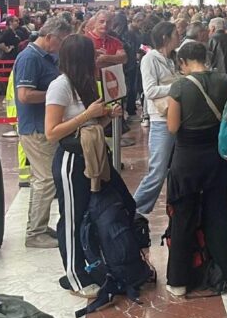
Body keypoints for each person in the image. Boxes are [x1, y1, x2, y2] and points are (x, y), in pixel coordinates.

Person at [46, 34, 124, 297]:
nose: (97, 59)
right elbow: (52, 132)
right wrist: (88, 114)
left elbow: (89, 128)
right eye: (92, 55)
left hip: (91, 155)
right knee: (71, 217)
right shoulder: (60, 86)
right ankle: (74, 275)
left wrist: (105, 117)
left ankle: (90, 265)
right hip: (70, 160)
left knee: (90, 213)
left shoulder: (86, 83)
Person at [164, 40, 227, 297]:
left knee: (184, 216)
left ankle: (179, 280)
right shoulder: (224, 81)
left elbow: (172, 128)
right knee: (218, 213)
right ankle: (223, 271)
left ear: (182, 62)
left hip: (188, 158)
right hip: (216, 155)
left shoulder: (180, 86)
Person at [12, 17, 72, 248]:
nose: (62, 46)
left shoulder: (45, 57)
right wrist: (54, 94)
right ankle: (35, 232)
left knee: (45, 178)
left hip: (44, 126)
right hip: (36, 128)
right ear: (49, 38)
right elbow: (25, 95)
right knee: (45, 179)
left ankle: (39, 224)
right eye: (61, 41)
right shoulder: (29, 58)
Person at [133, 21, 180, 216]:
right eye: (176, 34)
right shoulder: (150, 59)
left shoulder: (171, 59)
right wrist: (178, 86)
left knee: (176, 168)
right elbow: (150, 90)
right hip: (161, 119)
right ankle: (134, 209)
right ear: (165, 37)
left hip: (175, 116)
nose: (179, 37)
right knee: (158, 171)